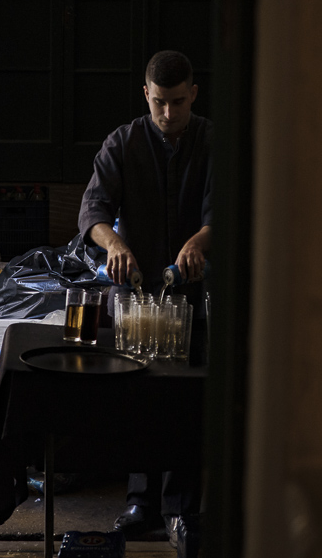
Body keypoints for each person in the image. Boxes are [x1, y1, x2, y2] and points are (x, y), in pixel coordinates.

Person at [77, 50, 212, 544]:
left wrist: (201, 241)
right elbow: (92, 209)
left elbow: (226, 208)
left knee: (183, 400)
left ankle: (182, 507)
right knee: (138, 397)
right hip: (135, 297)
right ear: (146, 95)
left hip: (193, 297)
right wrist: (113, 242)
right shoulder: (123, 142)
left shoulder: (213, 140)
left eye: (178, 103)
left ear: (193, 94)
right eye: (160, 103)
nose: (169, 114)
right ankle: (140, 503)